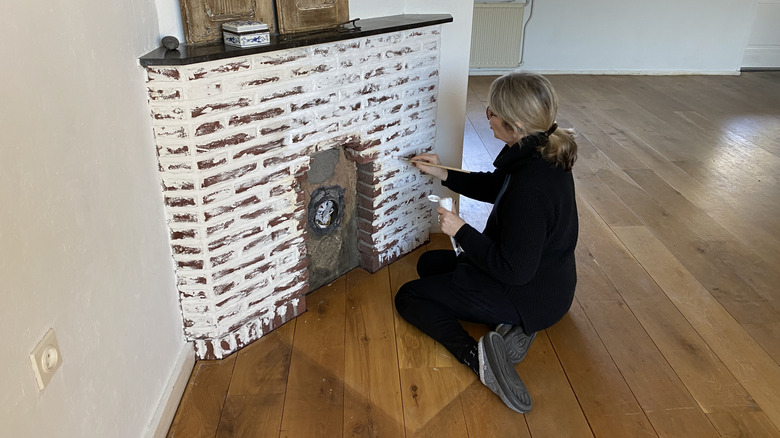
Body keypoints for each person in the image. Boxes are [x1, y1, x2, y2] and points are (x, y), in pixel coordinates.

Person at [394, 71, 579, 413]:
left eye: (492, 112)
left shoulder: (531, 191)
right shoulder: (540, 153)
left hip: (526, 291)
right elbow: (497, 187)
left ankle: (476, 357)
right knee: (428, 264)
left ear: (516, 125)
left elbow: (514, 270)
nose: (487, 117)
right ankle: (509, 328)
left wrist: (461, 230)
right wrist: (443, 172)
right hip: (548, 284)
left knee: (409, 296)